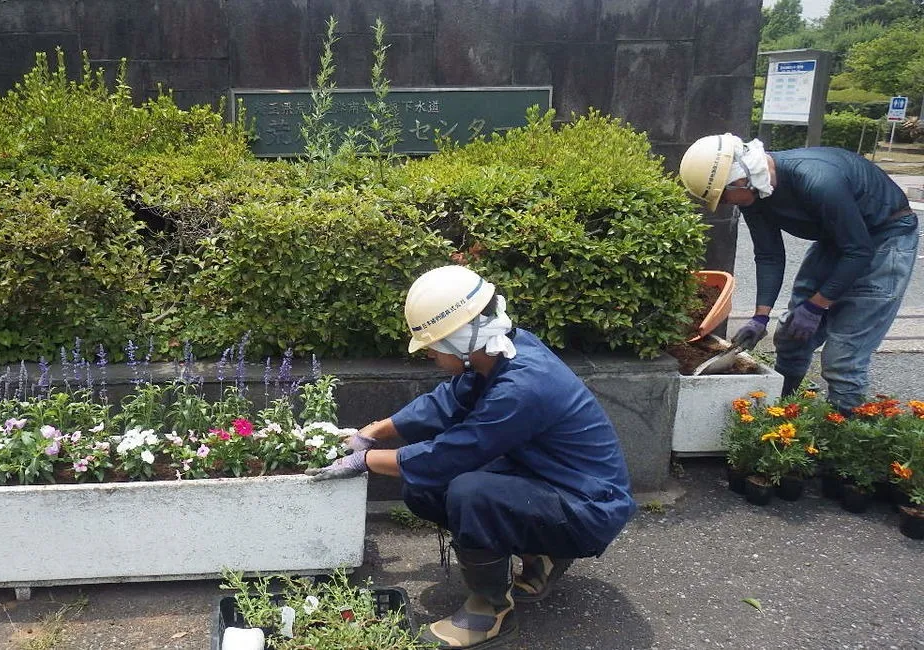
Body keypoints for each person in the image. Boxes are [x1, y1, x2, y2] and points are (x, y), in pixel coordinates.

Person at [306, 265, 637, 649]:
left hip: (588, 507)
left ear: (463, 339)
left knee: (468, 491)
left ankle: (489, 612)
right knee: (424, 488)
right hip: (549, 481)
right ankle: (541, 552)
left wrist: (364, 461)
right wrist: (372, 432)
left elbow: (455, 452)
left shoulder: (523, 385)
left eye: (434, 343)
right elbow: (448, 400)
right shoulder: (504, 351)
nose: (429, 351)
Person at [679, 134, 919, 411]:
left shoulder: (818, 181)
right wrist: (760, 317)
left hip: (885, 236)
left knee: (843, 359)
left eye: (722, 198)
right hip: (838, 238)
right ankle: (784, 411)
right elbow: (769, 256)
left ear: (739, 178)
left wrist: (817, 306)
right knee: (791, 337)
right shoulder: (755, 197)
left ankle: (845, 432)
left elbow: (858, 251)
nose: (725, 205)